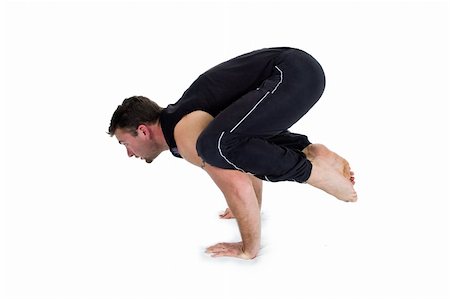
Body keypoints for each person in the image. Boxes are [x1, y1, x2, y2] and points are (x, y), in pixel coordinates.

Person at [108, 47, 357, 260]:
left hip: (291, 74)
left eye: (124, 143)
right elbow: (241, 162)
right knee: (226, 142)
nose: (129, 154)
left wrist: (248, 248)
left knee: (213, 145)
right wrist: (249, 208)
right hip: (298, 71)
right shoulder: (183, 121)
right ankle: (308, 151)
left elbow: (238, 183)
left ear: (142, 131)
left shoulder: (184, 132)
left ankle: (313, 171)